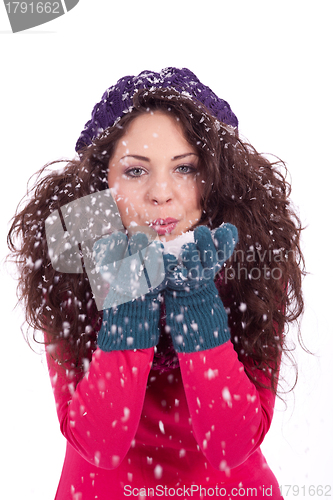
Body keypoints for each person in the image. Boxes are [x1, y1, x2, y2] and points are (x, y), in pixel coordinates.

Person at [7, 68, 305, 499]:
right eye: (135, 171)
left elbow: (232, 445)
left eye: (184, 168)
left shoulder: (250, 255)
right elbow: (98, 444)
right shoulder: (72, 259)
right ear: (102, 179)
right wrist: (129, 304)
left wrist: (198, 305)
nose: (161, 193)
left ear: (213, 178)